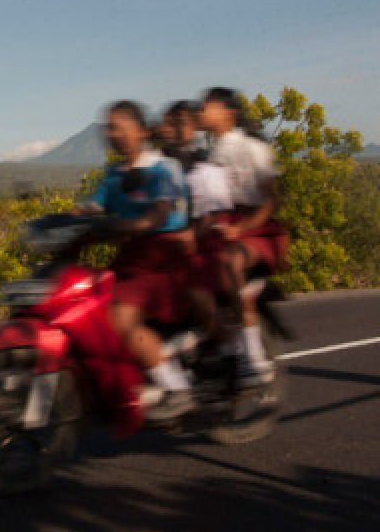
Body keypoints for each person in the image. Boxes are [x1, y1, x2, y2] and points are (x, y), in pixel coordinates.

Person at [82, 101, 193, 420]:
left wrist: (123, 225)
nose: (112, 133)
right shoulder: (114, 174)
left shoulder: (163, 168)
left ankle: (176, 388)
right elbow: (93, 206)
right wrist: (58, 221)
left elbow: (158, 214)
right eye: (108, 127)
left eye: (118, 126)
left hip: (162, 255)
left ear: (142, 131)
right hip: (130, 255)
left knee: (119, 318)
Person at [199, 87, 289, 385]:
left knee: (230, 261)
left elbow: (271, 200)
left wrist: (241, 228)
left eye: (208, 107)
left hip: (257, 230)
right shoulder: (213, 152)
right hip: (225, 228)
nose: (202, 112)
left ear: (229, 113)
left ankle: (253, 356)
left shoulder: (252, 149)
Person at [159, 100, 234, 341]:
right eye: (169, 123)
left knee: (192, 284)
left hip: (201, 236)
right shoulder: (159, 161)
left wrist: (193, 233)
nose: (171, 129)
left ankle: (223, 339)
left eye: (178, 123)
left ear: (193, 127)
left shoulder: (203, 161)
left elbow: (212, 210)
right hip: (167, 239)